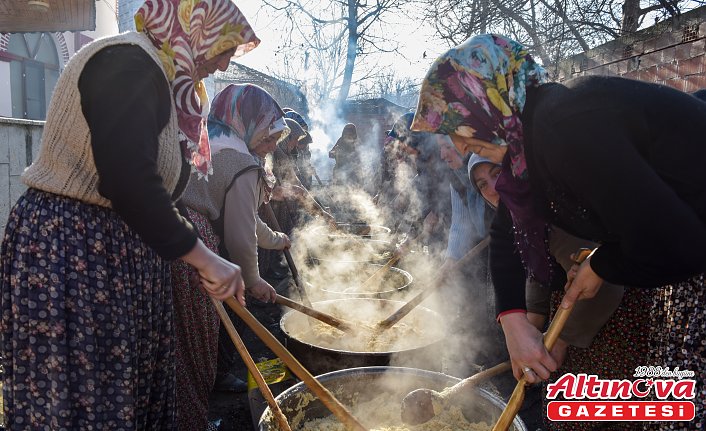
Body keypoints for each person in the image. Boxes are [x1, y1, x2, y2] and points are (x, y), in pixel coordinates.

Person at [412, 33, 706, 430]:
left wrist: (602, 264)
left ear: (486, 102)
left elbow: (679, 242)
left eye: (458, 128)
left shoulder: (565, 129)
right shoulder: (527, 149)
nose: (461, 148)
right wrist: (513, 321)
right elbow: (504, 235)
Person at [0, 0, 258, 428]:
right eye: (225, 47)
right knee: (86, 403)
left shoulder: (164, 80)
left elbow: (160, 191)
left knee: (125, 400)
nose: (226, 63)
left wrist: (185, 250)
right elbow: (128, 180)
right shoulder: (129, 62)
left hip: (114, 258)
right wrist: (203, 256)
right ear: (196, 29)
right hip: (73, 254)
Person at [469, 154, 653, 431]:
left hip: (609, 319)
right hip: (573, 308)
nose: (492, 189)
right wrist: (529, 330)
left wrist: (560, 341)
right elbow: (541, 274)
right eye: (482, 184)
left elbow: (603, 283)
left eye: (497, 174)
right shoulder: (520, 222)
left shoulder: (548, 208)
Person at [172, 83, 291, 430]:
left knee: (176, 345)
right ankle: (193, 420)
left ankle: (178, 414)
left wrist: (275, 239)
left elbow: (246, 219)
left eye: (274, 141)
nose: (270, 148)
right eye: (268, 138)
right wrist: (253, 280)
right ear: (248, 122)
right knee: (196, 346)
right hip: (195, 248)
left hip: (173, 237)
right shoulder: (241, 162)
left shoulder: (213, 140)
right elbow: (241, 234)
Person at [329, 123, 363, 187]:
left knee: (353, 192)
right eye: (346, 134)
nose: (348, 136)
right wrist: (335, 152)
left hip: (352, 174)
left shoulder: (357, 143)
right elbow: (330, 154)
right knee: (339, 191)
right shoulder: (341, 140)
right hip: (339, 171)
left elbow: (358, 160)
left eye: (350, 134)